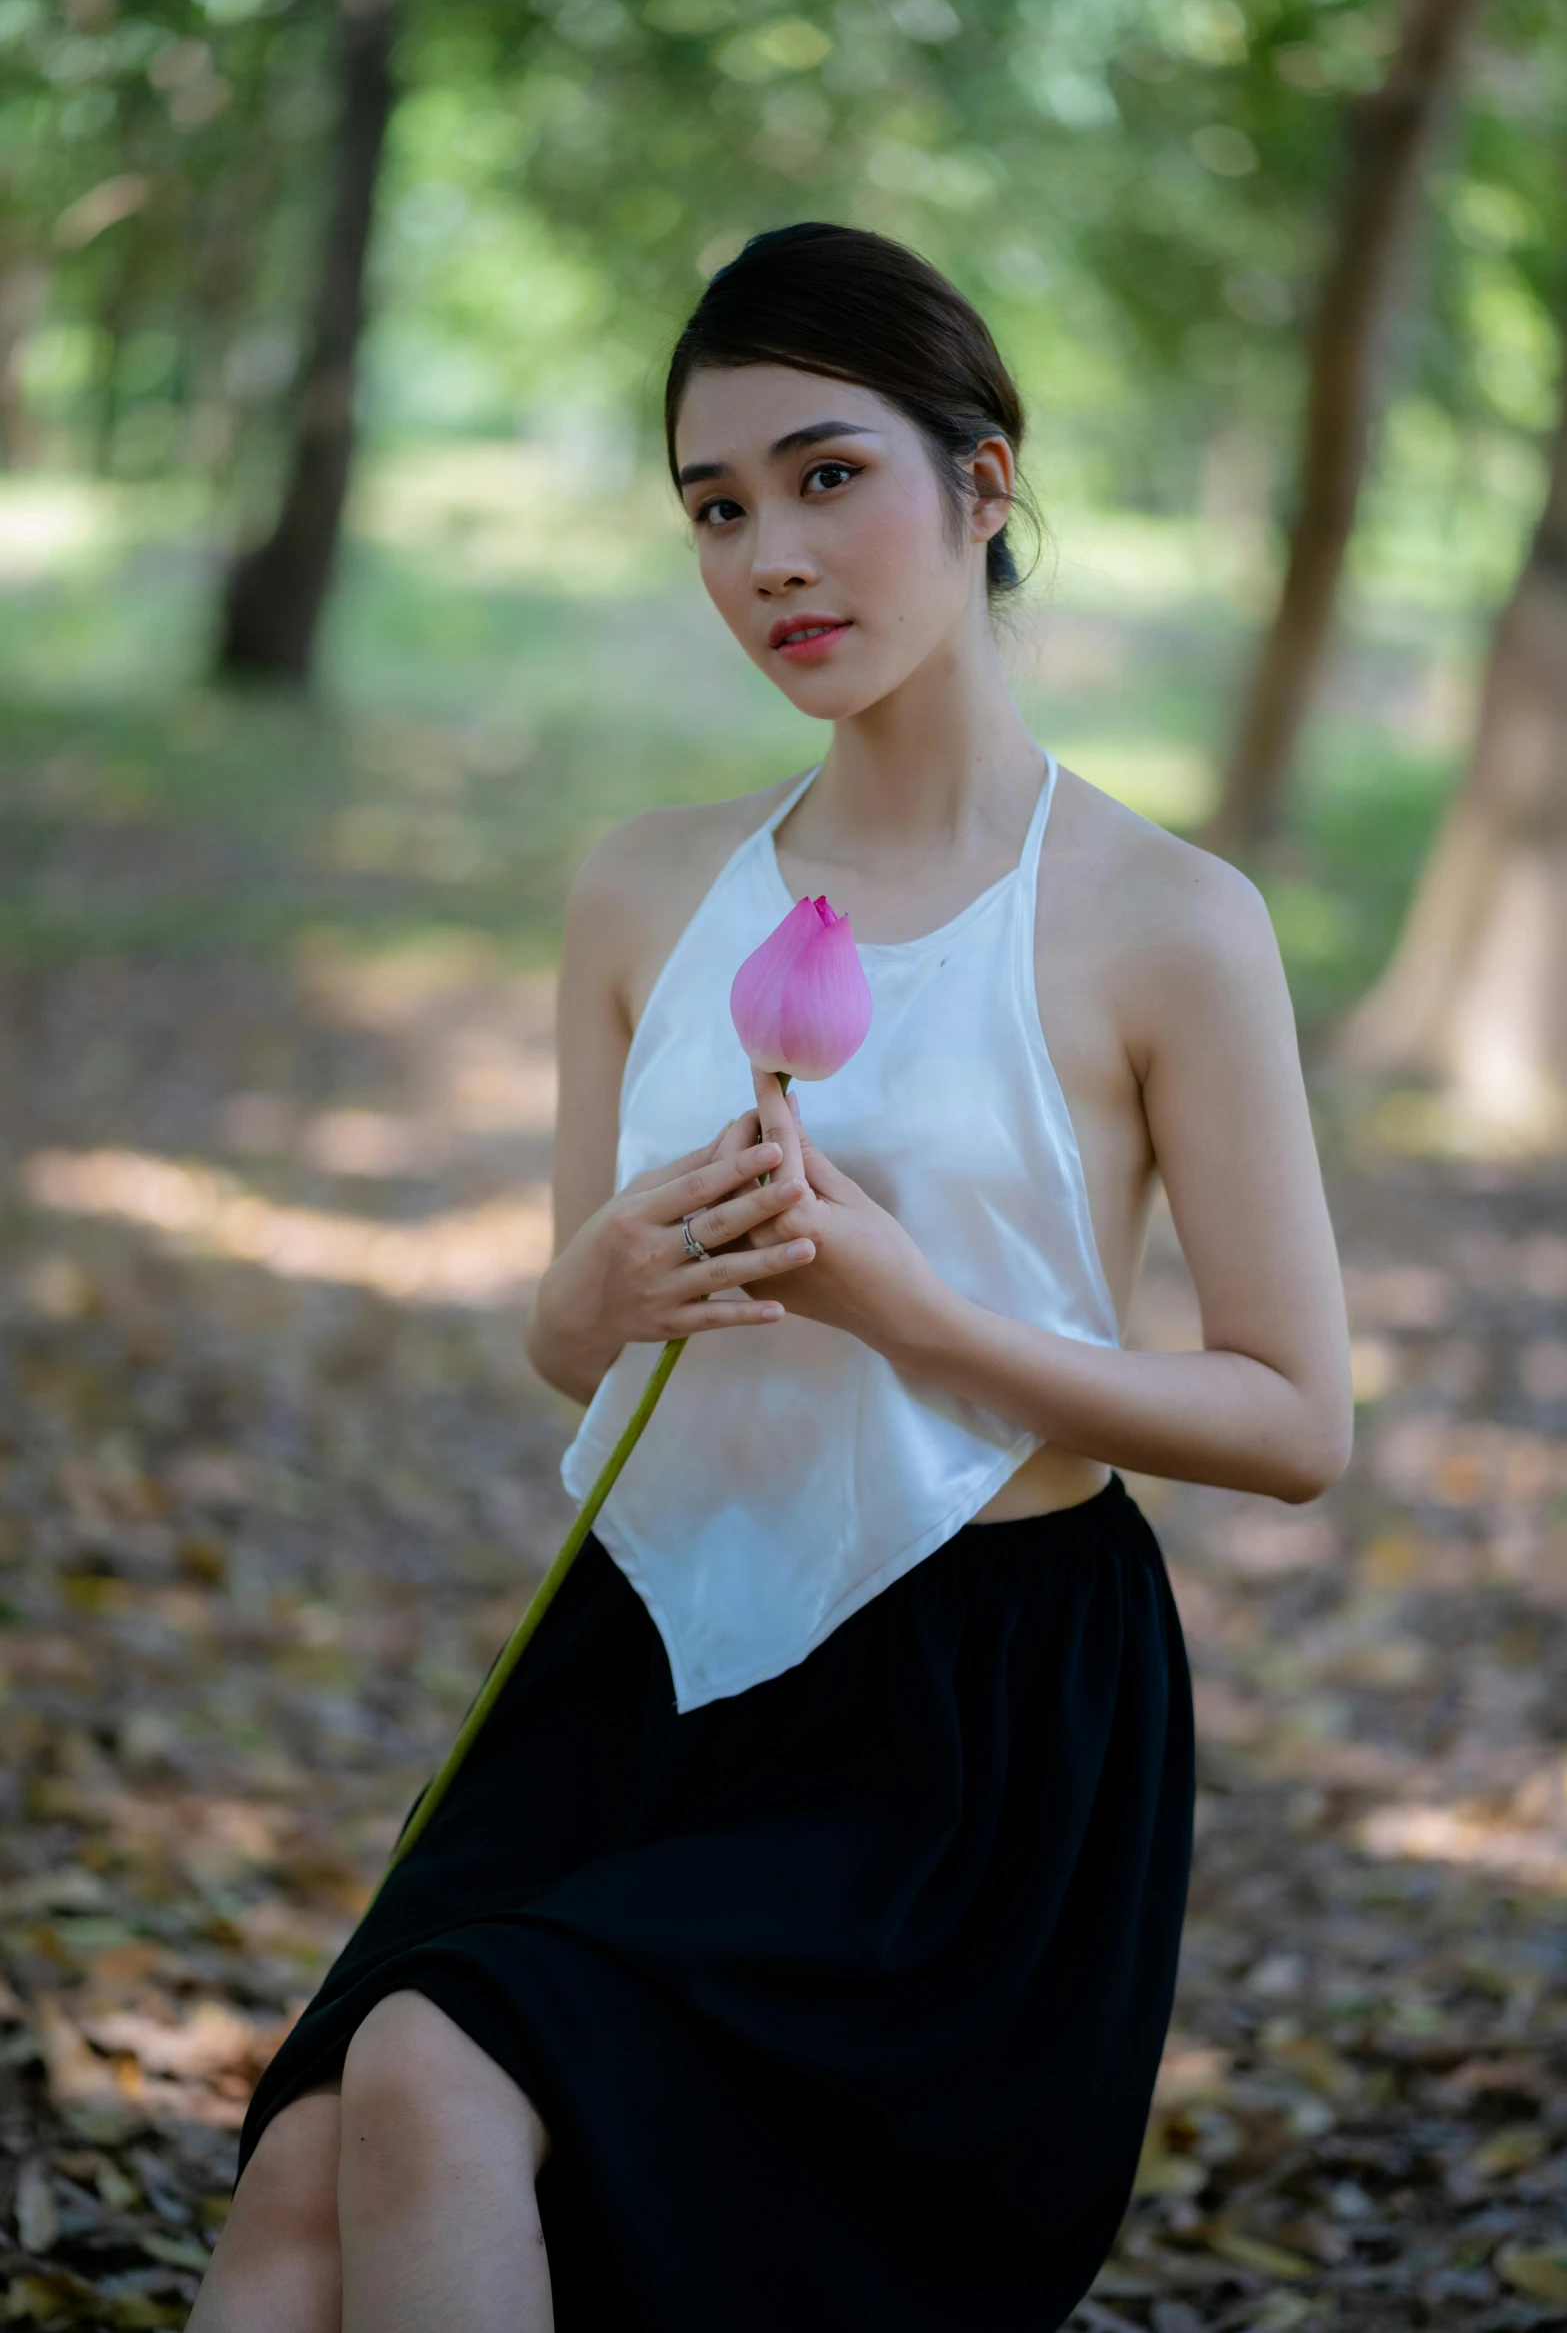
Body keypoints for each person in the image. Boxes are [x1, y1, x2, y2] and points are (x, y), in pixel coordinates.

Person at [192, 223, 1352, 2333]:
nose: (769, 560)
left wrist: (918, 1315)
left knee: (438, 2079)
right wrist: (609, 1284)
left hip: (962, 1735)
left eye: (829, 479)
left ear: (982, 481)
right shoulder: (645, 885)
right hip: (638, 1662)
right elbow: (567, 1346)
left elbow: (1297, 1419)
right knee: (304, 2175)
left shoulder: (1169, 921)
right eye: (717, 508)